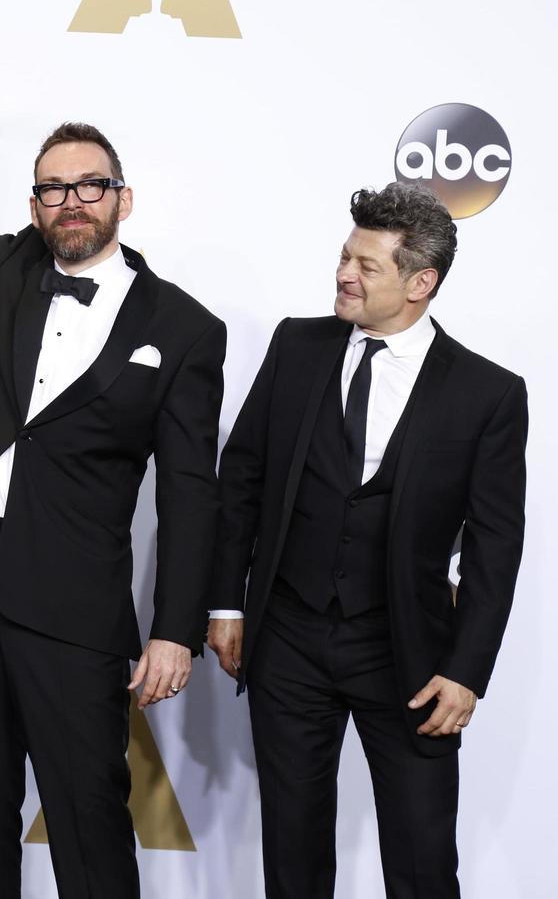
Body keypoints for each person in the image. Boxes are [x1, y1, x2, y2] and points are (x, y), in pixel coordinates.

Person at [0, 0, 226, 896]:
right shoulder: (8, 268)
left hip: (76, 601)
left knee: (89, 814)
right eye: (53, 188)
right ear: (34, 203)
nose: (71, 203)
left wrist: (176, 628)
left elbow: (189, 493)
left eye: (89, 185)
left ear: (122, 198)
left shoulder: (183, 328)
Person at [208, 182, 527, 899]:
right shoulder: (297, 344)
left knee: (420, 861)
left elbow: (496, 543)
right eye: (345, 256)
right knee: (293, 854)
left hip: (409, 653)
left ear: (422, 283)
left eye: (368, 266)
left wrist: (467, 670)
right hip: (287, 635)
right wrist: (227, 604)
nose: (345, 275)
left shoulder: (488, 393)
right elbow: (245, 479)